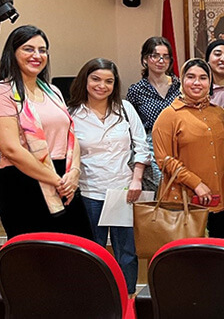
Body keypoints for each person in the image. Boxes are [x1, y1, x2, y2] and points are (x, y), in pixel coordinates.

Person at [0, 25, 92, 239]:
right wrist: (55, 179)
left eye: (42, 50)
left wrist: (74, 173)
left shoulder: (53, 91)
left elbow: (71, 136)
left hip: (64, 180)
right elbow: (10, 148)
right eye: (28, 49)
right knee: (37, 261)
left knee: (80, 252)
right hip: (22, 182)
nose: (37, 55)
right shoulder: (4, 92)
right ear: (12, 54)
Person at [67, 58, 150, 295]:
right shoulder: (71, 113)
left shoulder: (125, 109)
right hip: (89, 192)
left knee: (126, 252)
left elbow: (141, 146)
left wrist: (137, 178)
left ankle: (128, 296)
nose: (101, 85)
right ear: (85, 80)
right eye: (96, 79)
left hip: (123, 191)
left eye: (108, 81)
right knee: (93, 250)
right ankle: (97, 297)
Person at [152, 59, 224, 238]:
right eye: (191, 77)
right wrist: (196, 184)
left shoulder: (220, 113)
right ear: (181, 80)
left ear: (210, 82)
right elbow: (163, 160)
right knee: (189, 260)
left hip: (221, 200)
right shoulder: (169, 116)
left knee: (220, 257)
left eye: (203, 78)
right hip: (185, 202)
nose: (197, 82)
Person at [127, 37, 180, 193]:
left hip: (179, 143)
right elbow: (133, 126)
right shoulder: (136, 90)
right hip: (152, 146)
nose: (161, 60)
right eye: (155, 55)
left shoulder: (180, 86)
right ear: (145, 59)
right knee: (161, 190)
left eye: (166, 56)